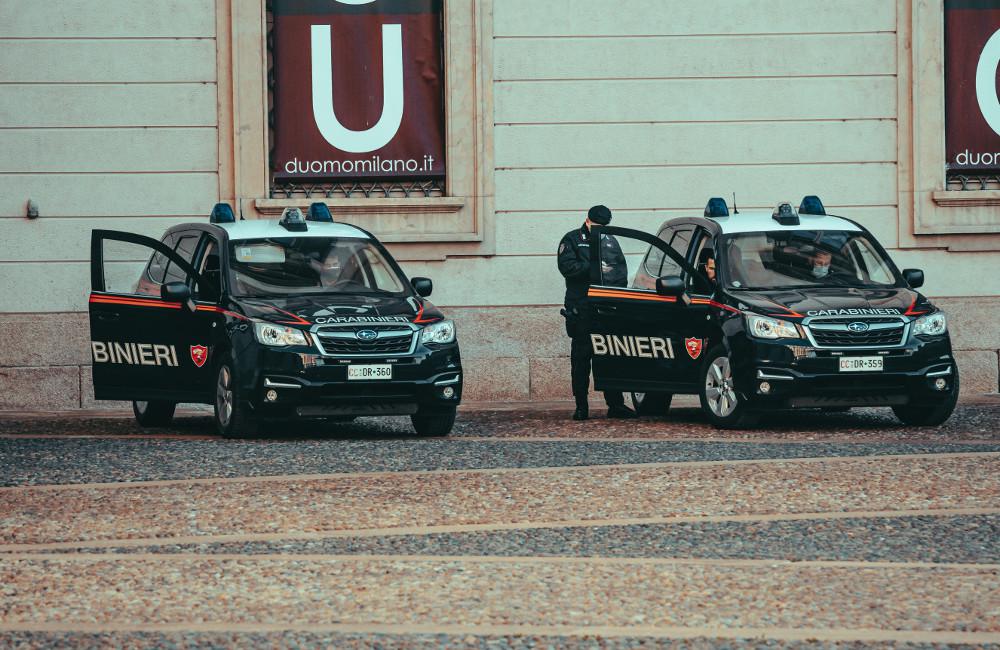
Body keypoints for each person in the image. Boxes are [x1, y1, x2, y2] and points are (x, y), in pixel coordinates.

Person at [557, 205, 637, 421]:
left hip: (606, 307)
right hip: (581, 307)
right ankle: (581, 406)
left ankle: (616, 404)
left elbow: (620, 270)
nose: (600, 230)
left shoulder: (610, 240)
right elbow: (567, 268)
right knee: (581, 359)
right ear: (588, 220)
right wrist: (595, 268)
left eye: (603, 226)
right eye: (597, 226)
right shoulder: (572, 239)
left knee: (610, 356)